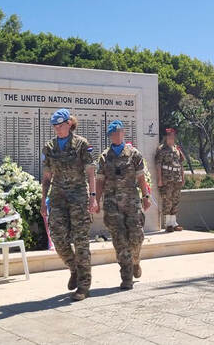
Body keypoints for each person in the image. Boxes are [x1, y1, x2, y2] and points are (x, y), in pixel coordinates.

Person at [39, 109, 98, 301]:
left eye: (60, 125)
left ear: (69, 124)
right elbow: (47, 177)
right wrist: (43, 201)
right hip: (58, 197)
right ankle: (73, 268)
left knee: (81, 241)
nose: (57, 129)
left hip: (78, 196)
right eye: (55, 126)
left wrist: (93, 197)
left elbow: (90, 172)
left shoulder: (81, 144)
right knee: (58, 238)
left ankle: (84, 285)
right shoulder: (49, 147)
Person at [96, 120, 151, 290]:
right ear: (110, 136)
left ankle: (135, 260)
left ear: (123, 133)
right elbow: (99, 181)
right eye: (113, 133)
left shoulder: (134, 154)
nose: (117, 135)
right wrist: (96, 200)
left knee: (136, 236)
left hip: (132, 202)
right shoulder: (104, 157)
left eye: (119, 132)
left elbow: (141, 178)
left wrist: (146, 196)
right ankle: (126, 275)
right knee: (119, 240)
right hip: (112, 204)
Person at [155, 127, 185, 232]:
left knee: (175, 200)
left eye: (173, 137)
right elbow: (158, 164)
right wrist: (159, 179)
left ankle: (174, 222)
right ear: (166, 138)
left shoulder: (177, 149)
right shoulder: (161, 149)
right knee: (167, 200)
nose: (171, 139)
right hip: (167, 179)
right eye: (169, 137)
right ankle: (168, 224)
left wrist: (183, 177)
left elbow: (181, 164)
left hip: (177, 178)